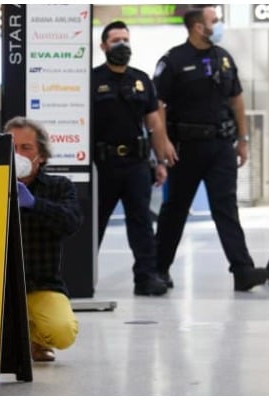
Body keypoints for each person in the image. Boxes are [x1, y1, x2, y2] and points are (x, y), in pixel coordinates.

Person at [153, 6, 268, 291]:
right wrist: (163, 141)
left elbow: (236, 99)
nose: (218, 26)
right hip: (186, 148)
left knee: (226, 209)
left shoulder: (224, 58)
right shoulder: (173, 61)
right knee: (175, 210)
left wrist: (242, 140)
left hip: (221, 147)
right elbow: (158, 104)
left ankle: (242, 271)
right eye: (214, 21)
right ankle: (157, 270)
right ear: (197, 27)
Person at [92, 21, 178, 296]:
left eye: (125, 39)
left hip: (137, 164)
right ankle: (79, 276)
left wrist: (160, 161)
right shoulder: (91, 80)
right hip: (102, 164)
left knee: (141, 222)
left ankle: (146, 278)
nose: (121, 44)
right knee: (95, 223)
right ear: (103, 46)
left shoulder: (142, 80)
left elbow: (154, 123)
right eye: (115, 39)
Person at [6, 116, 83, 362]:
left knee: (62, 333)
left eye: (26, 148)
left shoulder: (59, 187)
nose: (18, 154)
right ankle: (7, 341)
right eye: (12, 148)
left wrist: (34, 204)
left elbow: (71, 222)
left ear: (42, 155)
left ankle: (35, 339)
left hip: (40, 284)